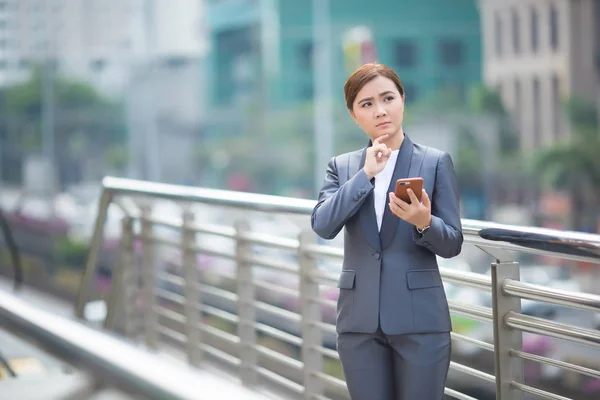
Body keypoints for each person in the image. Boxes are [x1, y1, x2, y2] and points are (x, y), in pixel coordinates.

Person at [311, 63, 463, 400]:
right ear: (353, 114)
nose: (380, 111)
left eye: (387, 98)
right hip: (358, 323)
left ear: (402, 100)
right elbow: (323, 225)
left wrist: (424, 221)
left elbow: (453, 242)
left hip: (420, 321)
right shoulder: (343, 167)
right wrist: (365, 175)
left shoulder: (435, 162)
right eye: (366, 104)